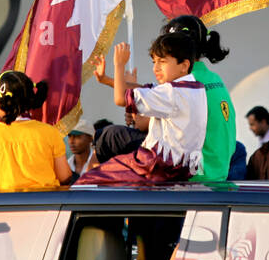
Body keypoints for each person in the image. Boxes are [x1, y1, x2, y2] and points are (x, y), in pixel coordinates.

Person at [95, 15, 236, 182]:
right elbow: (153, 93)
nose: (157, 66)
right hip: (217, 170)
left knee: (109, 137)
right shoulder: (212, 79)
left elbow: (142, 121)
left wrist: (134, 109)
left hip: (193, 173)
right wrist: (110, 81)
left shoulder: (186, 83)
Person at [80, 35, 206, 185]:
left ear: (184, 65)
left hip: (153, 166)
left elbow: (120, 98)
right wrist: (106, 80)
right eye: (154, 62)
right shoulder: (195, 88)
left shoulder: (171, 93)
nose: (156, 68)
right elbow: (139, 89)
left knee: (87, 182)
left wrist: (119, 64)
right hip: (182, 169)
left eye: (162, 61)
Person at [0, 71, 74, 191]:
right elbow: (64, 176)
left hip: (5, 207)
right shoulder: (49, 132)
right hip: (45, 206)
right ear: (30, 99)